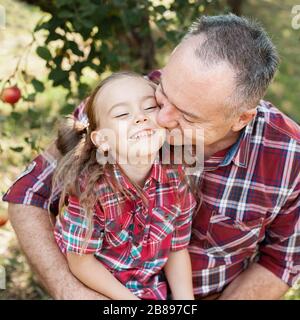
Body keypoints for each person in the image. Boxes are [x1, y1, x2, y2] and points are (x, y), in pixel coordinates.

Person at [3, 14, 300, 300]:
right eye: (164, 93)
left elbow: (280, 262)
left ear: (241, 118)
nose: (161, 117)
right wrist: (70, 291)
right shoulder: (126, 101)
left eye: (186, 115)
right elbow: (29, 192)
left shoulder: (290, 158)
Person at [51, 71, 196, 300]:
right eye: (122, 114)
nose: (140, 118)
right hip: (98, 289)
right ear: (103, 140)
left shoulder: (176, 179)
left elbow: (177, 248)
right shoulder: (90, 190)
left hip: (149, 288)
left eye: (149, 108)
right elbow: (81, 263)